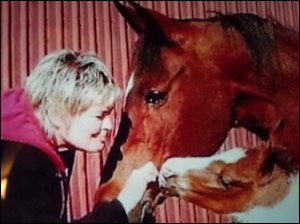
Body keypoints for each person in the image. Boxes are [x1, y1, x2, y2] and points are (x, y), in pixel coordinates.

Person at [1, 49, 158, 223]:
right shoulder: (19, 165)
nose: (109, 126)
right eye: (99, 116)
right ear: (57, 113)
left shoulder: (55, 139)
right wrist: (124, 202)